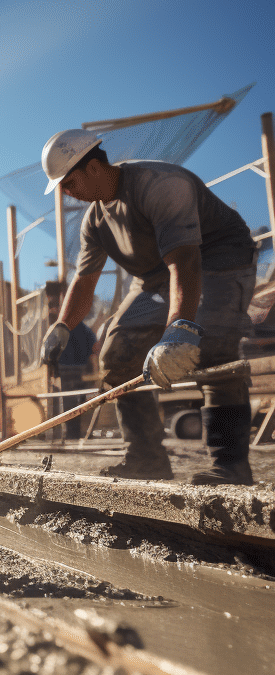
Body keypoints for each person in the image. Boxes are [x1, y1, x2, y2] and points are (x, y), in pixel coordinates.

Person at [40, 128, 257, 484]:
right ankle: (146, 458)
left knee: (215, 347)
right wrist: (62, 326)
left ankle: (230, 465)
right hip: (156, 275)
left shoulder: (159, 184)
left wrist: (180, 327)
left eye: (69, 182)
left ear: (94, 167)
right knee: (117, 354)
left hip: (218, 258)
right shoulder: (94, 221)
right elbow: (84, 279)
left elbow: (185, 262)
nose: (65, 192)